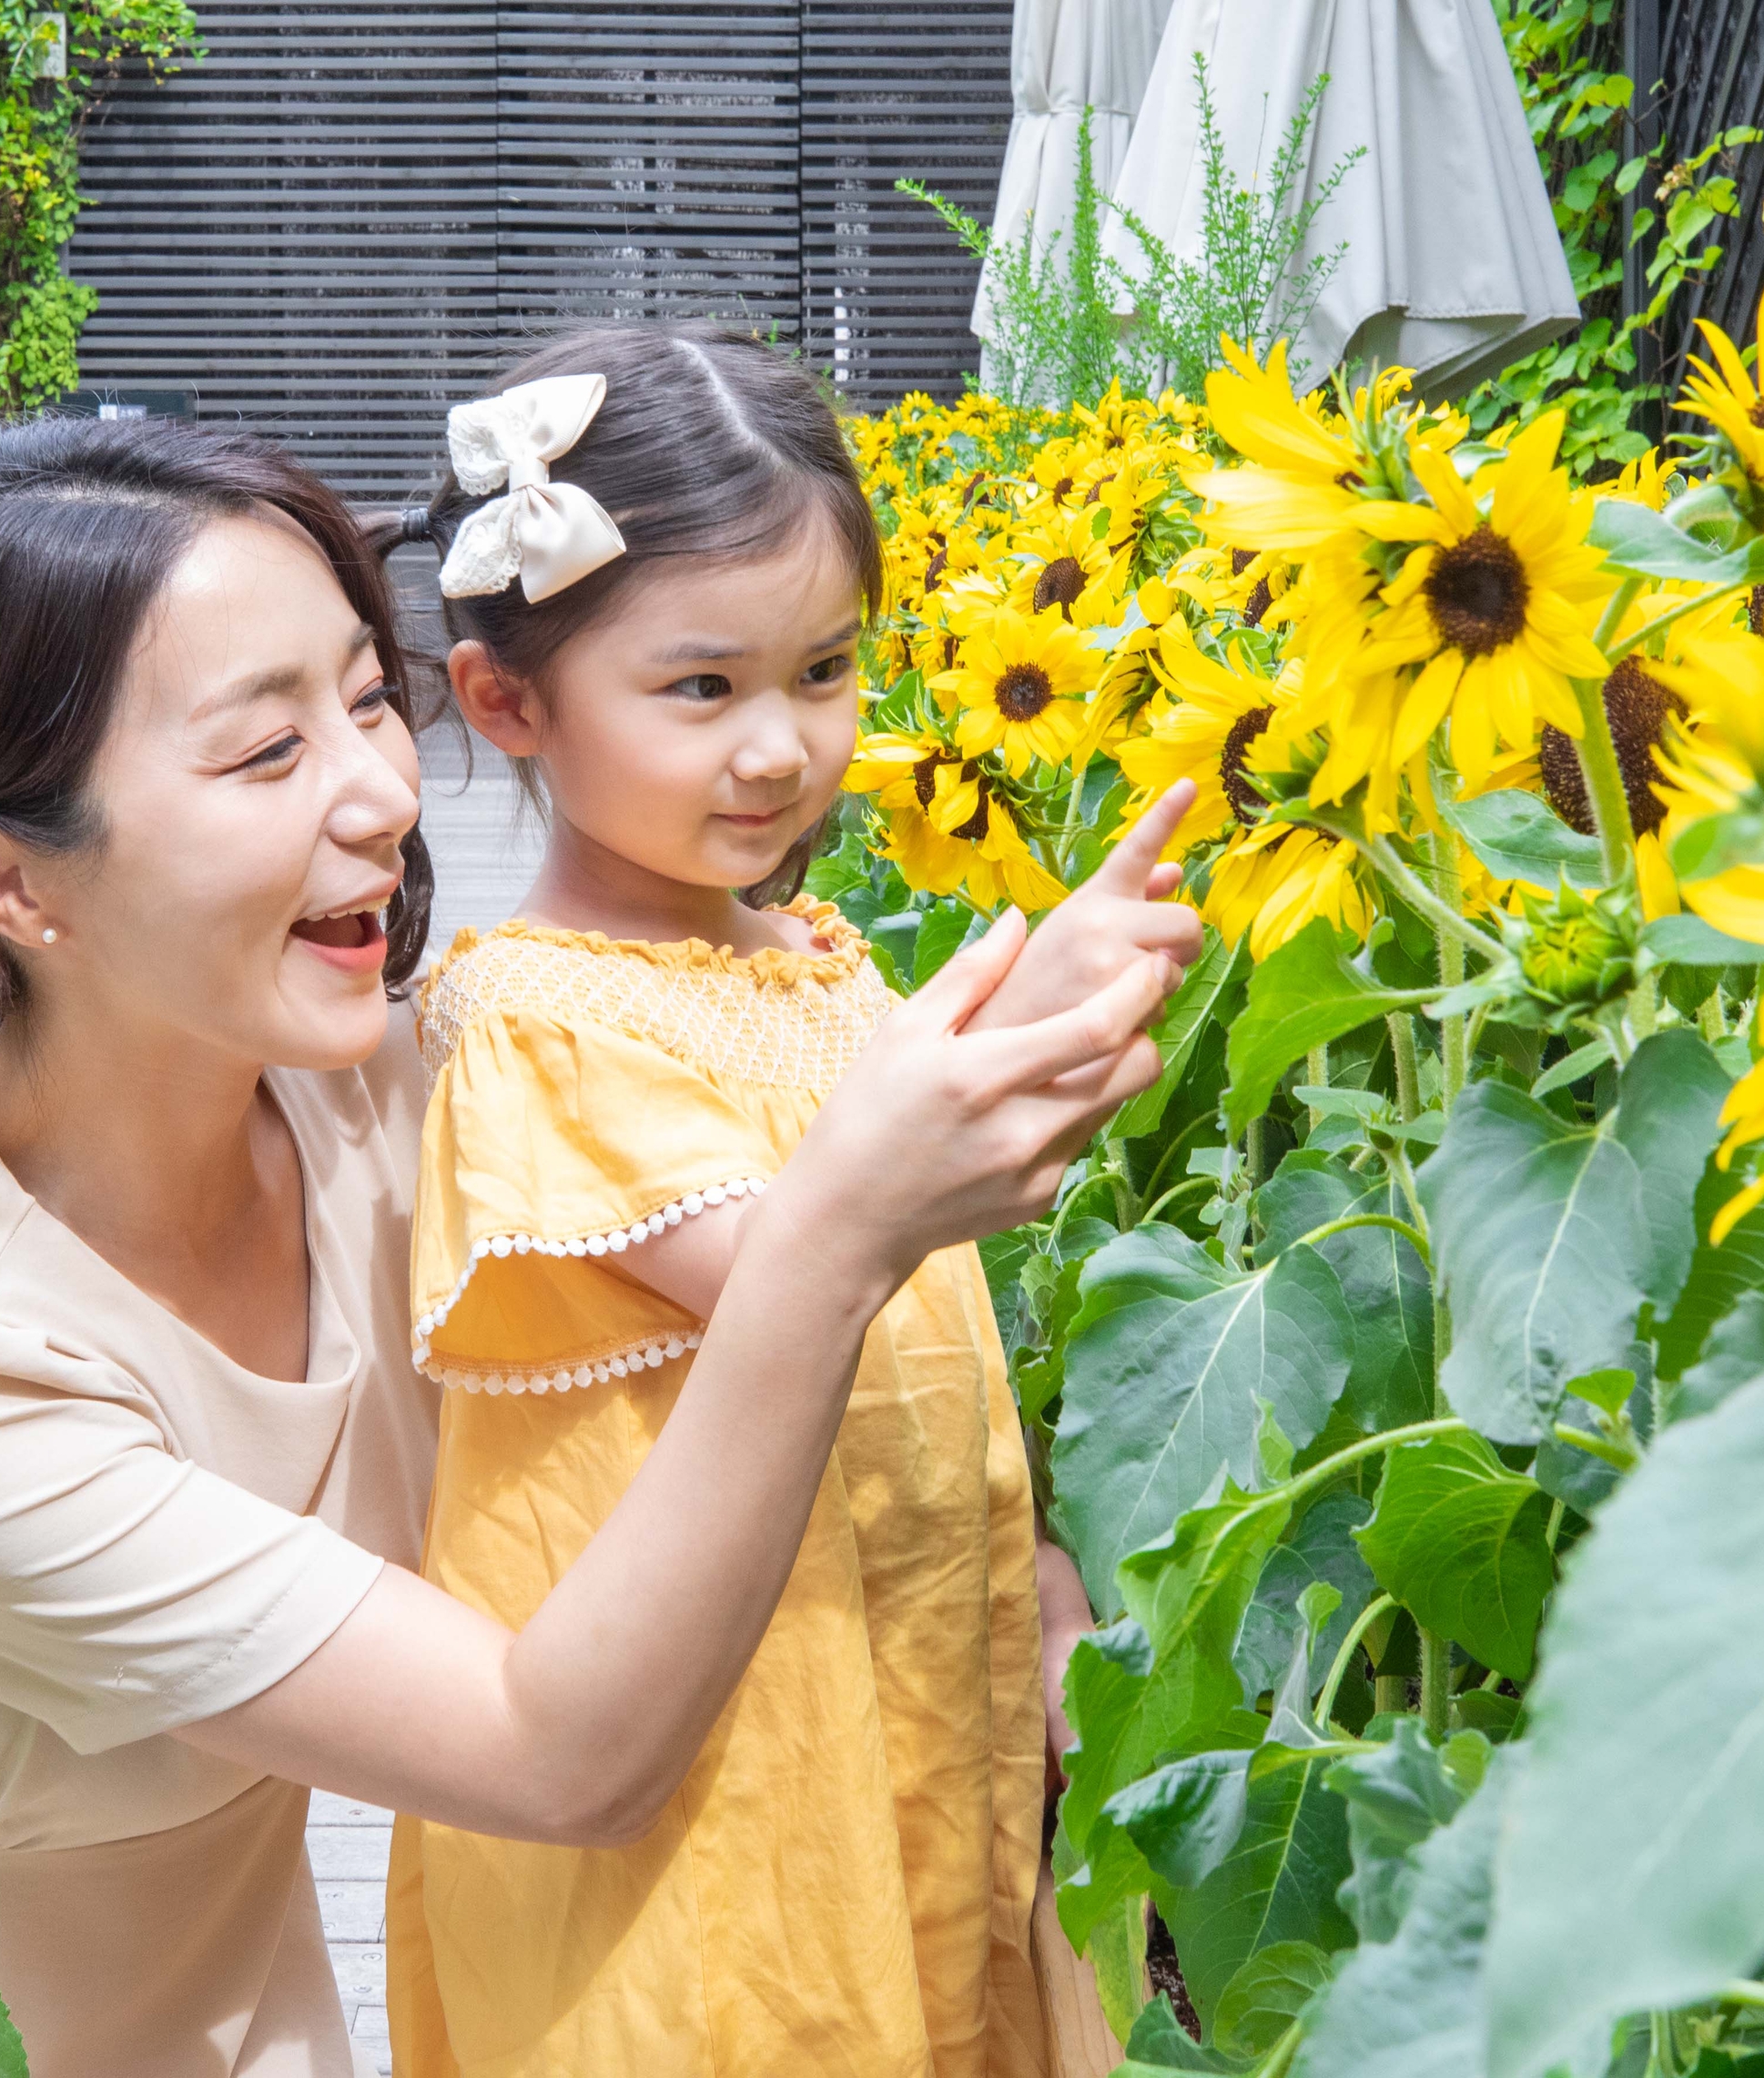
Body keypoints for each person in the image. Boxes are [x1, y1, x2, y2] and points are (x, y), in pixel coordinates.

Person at [0, 416, 1190, 2078]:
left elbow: (767, 1354)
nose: (382, 791)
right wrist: (834, 1240)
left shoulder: (401, 1089)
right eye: (265, 749)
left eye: (371, 699)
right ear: (2, 875)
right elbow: (553, 1749)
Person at [388, 329, 1197, 2078]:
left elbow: (916, 1317)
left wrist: (1049, 1583)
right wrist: (1011, 1040)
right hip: (725, 1750)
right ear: (508, 701)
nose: (780, 748)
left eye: (824, 671)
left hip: (905, 1679)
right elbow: (812, 1251)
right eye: (701, 690)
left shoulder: (815, 961)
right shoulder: (532, 1016)